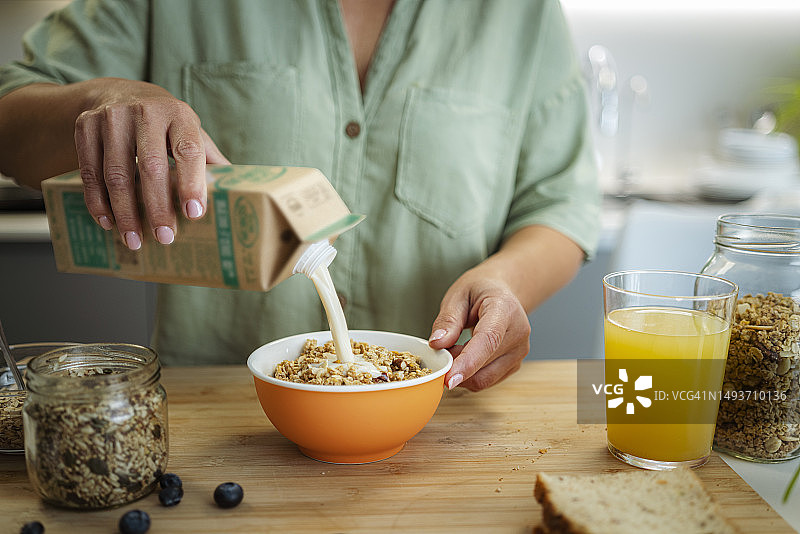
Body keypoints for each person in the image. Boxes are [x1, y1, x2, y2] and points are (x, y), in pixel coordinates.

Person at [0, 0, 600, 391]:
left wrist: (506, 282)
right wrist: (97, 100)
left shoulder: (523, 16)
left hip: (446, 419)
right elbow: (9, 116)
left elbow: (559, 204)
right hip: (216, 420)